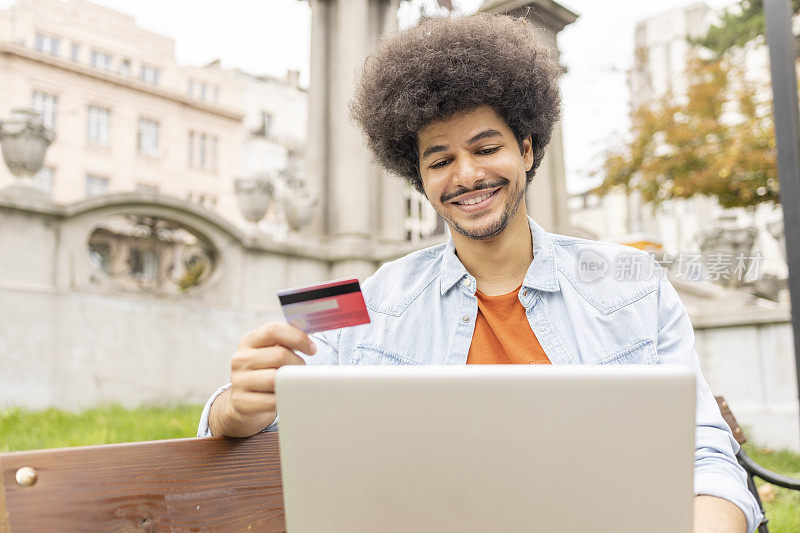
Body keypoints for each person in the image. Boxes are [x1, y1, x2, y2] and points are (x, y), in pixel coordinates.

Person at [198, 13, 761, 532]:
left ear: (527, 149)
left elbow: (704, 456)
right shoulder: (355, 301)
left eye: (486, 148)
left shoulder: (635, 280)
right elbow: (268, 432)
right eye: (440, 160)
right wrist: (234, 406)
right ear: (419, 178)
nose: (466, 175)